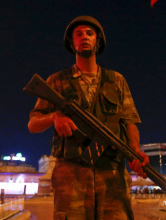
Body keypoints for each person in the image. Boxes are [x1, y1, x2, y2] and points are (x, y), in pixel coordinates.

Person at [28, 15, 149, 219]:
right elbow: (33, 124)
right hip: (70, 174)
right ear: (72, 42)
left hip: (112, 173)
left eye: (90, 33)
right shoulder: (57, 80)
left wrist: (134, 151)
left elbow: (129, 121)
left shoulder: (116, 80)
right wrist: (54, 118)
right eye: (79, 34)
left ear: (97, 41)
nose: (84, 37)